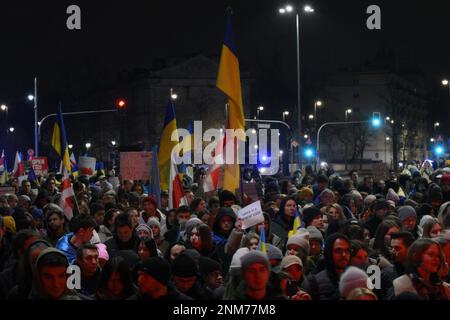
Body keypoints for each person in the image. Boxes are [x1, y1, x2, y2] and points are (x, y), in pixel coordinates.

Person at [302, 233, 351, 300]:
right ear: (329, 253)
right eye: (338, 251)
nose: (344, 255)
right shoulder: (313, 283)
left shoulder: (357, 280)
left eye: (347, 250)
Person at [378, 231, 415, 299]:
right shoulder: (385, 274)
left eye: (397, 248)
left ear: (410, 249)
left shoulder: (420, 271)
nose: (393, 251)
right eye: (392, 248)